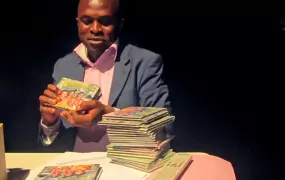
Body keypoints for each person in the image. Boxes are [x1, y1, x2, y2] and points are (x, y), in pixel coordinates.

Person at [37, 0, 173, 152]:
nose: (95, 29)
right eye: (87, 21)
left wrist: (110, 115)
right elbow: (50, 143)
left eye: (105, 21)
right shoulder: (63, 66)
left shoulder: (144, 62)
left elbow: (164, 129)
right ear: (78, 23)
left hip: (127, 165)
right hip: (74, 166)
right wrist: (50, 121)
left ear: (119, 24)